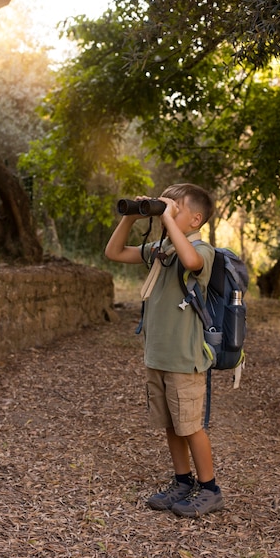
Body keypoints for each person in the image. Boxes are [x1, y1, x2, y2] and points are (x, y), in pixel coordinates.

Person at [105, 183, 224, 517]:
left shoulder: (203, 250)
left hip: (185, 359)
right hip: (158, 356)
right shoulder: (161, 248)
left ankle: (210, 488)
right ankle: (182, 481)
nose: (167, 210)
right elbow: (114, 253)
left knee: (191, 426)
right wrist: (131, 216)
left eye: (176, 206)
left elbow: (191, 260)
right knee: (171, 425)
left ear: (196, 219)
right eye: (164, 204)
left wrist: (168, 219)